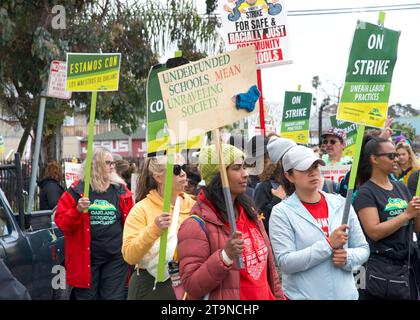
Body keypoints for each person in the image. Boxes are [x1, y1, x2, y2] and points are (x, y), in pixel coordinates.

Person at [177, 144, 284, 300]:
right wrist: (225, 256)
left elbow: (271, 273)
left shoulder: (251, 214)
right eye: (237, 168)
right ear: (218, 176)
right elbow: (192, 286)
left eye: (244, 167)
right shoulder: (195, 225)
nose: (245, 174)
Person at [269, 145, 369, 300]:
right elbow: (285, 262)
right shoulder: (281, 212)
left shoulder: (341, 203)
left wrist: (347, 257)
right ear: (289, 176)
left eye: (315, 166)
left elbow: (363, 248)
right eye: (304, 168)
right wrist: (328, 245)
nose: (312, 172)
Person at [55, 147, 134, 300]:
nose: (112, 166)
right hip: (85, 260)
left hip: (115, 259)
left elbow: (132, 220)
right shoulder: (75, 192)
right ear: (95, 165)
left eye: (113, 163)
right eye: (108, 163)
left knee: (113, 298)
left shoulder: (121, 191)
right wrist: (77, 210)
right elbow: (62, 223)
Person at [353, 136, 420, 300]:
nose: (396, 159)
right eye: (391, 156)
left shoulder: (401, 187)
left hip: (406, 268)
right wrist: (406, 214)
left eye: (397, 154)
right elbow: (374, 231)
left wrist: (417, 213)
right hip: (379, 273)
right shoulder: (365, 193)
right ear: (374, 159)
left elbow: (415, 228)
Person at [122, 155, 196, 300]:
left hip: (188, 284)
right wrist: (154, 229)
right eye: (176, 169)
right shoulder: (141, 209)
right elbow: (129, 256)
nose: (183, 173)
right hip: (151, 287)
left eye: (184, 168)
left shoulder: (194, 206)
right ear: (158, 177)